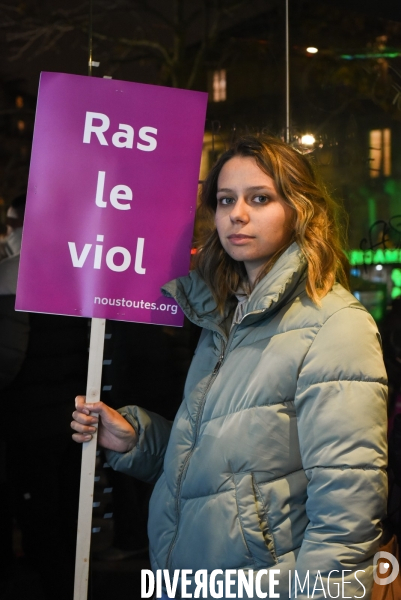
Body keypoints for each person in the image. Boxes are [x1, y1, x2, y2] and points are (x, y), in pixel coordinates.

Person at [71, 135, 388, 599]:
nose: (237, 214)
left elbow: (348, 515)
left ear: (300, 209)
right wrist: (139, 440)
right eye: (225, 200)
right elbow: (229, 472)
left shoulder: (335, 325)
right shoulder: (225, 317)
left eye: (260, 198)